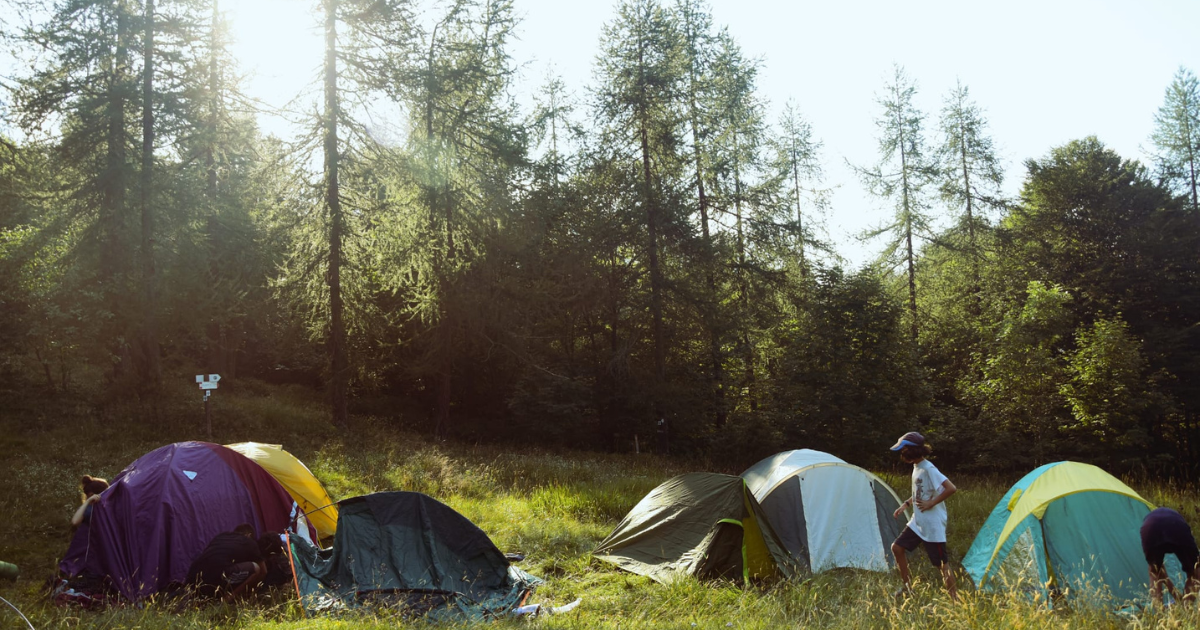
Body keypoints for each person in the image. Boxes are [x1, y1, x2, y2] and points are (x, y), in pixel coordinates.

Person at [889, 431, 958, 601]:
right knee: (897, 548)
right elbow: (920, 492)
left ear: (911, 450)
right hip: (918, 521)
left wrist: (931, 504)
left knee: (941, 564)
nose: (901, 454)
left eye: (903, 450)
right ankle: (908, 589)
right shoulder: (917, 467)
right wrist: (906, 504)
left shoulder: (929, 469)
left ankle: (955, 601)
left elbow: (951, 488)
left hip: (932, 524)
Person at [186, 524, 266, 602]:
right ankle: (228, 599)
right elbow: (264, 571)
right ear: (249, 535)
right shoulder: (249, 541)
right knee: (256, 568)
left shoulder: (221, 537)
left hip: (193, 577)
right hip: (218, 576)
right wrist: (253, 592)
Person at [1141, 507, 1200, 605]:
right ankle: (1186, 610)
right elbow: (1163, 574)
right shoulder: (1177, 519)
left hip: (1149, 527)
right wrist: (1177, 595)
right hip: (1177, 527)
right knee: (1196, 573)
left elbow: (1159, 573)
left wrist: (1176, 595)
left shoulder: (1151, 519)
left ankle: (1159, 614)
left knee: (1154, 572)